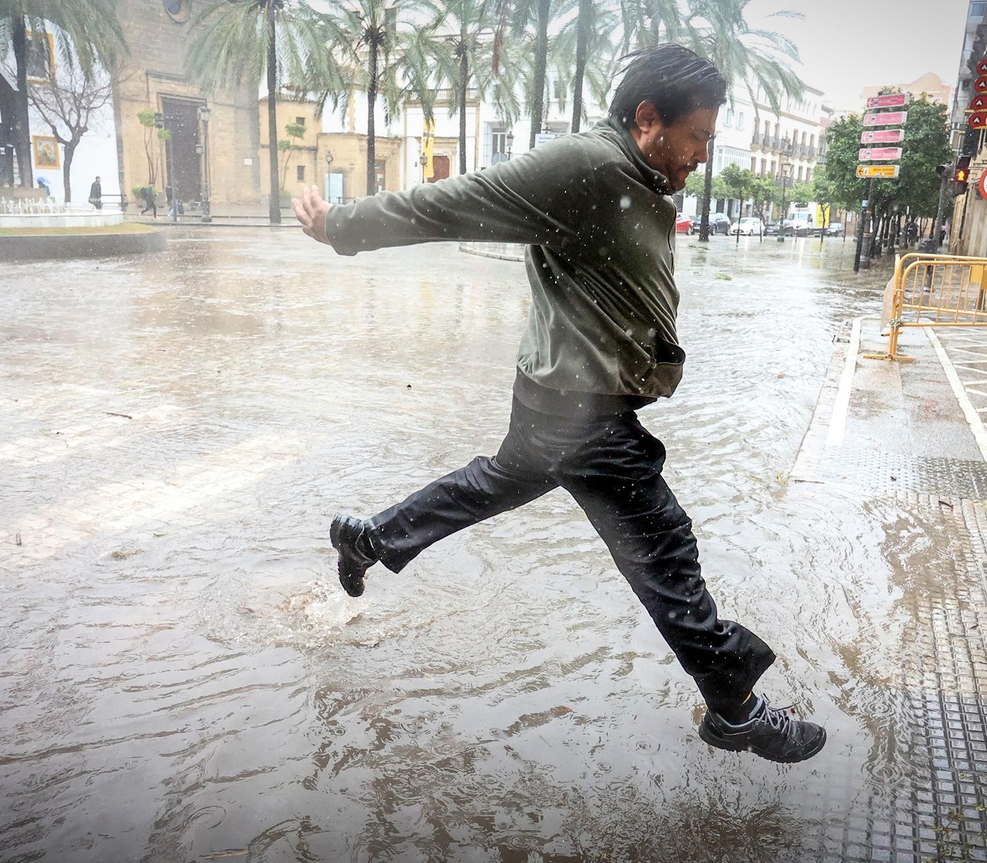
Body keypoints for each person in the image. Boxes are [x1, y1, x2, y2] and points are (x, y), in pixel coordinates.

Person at [292, 44, 826, 764]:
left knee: (492, 484)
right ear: (648, 118)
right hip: (585, 411)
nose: (702, 154)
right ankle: (736, 710)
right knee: (664, 549)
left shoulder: (633, 173)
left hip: (558, 396)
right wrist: (342, 225)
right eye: (696, 136)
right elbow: (456, 201)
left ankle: (371, 539)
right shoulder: (586, 166)